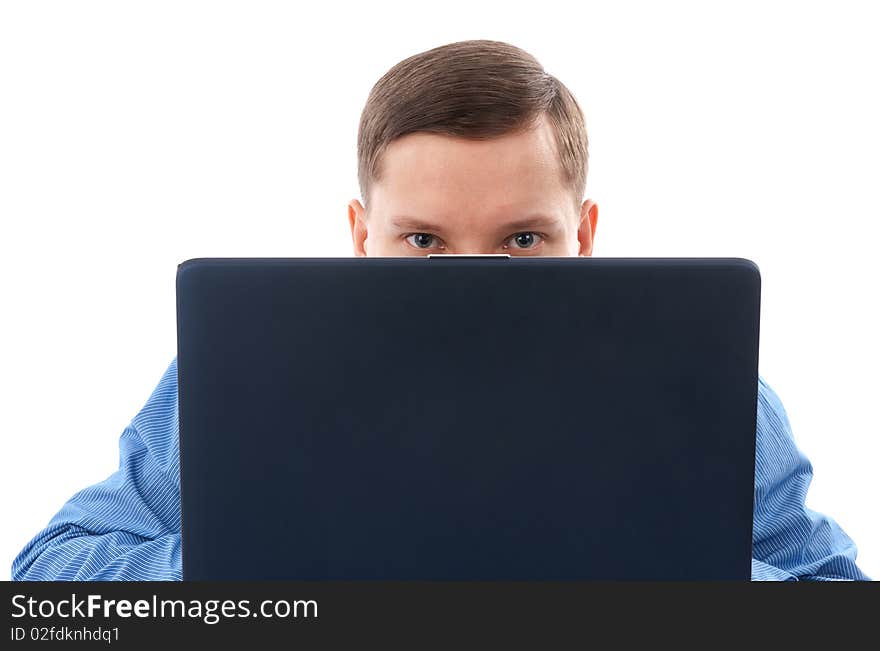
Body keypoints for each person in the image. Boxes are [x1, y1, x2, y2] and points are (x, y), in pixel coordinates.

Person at [12, 39, 869, 581]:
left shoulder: (702, 390)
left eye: (523, 241)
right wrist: (262, 568)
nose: (471, 282)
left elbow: (836, 600)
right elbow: (47, 581)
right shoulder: (245, 380)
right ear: (362, 234)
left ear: (586, 232)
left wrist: (676, 573)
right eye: (424, 241)